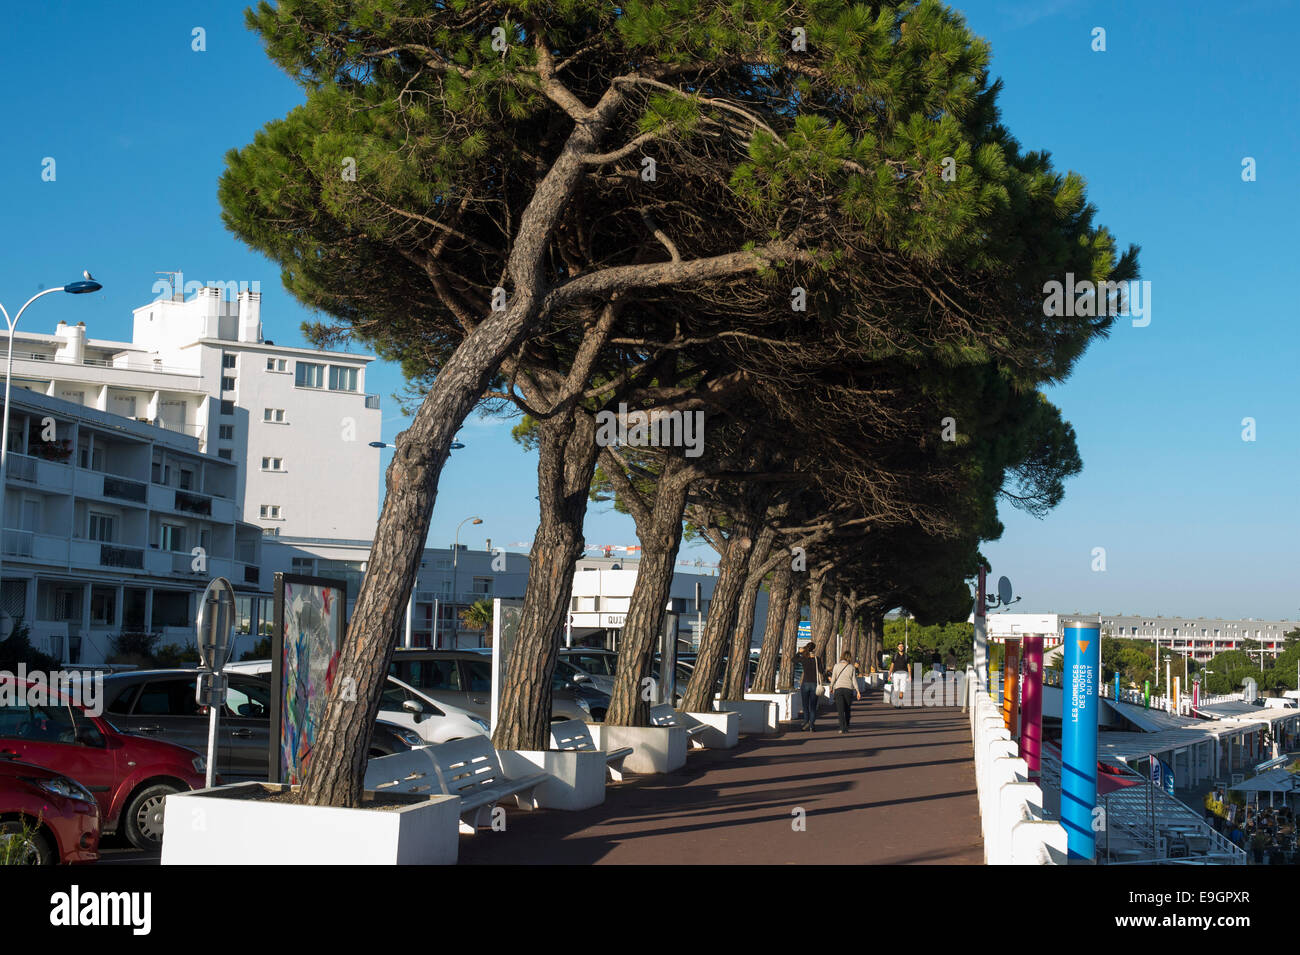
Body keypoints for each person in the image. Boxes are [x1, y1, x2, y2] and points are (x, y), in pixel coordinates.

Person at [829, 652, 861, 733]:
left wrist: (831, 687)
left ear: (842, 657)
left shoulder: (836, 666)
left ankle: (842, 728)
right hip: (848, 689)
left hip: (838, 689)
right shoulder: (852, 667)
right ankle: (846, 726)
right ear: (849, 658)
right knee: (847, 709)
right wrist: (857, 691)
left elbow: (833, 678)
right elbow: (854, 680)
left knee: (840, 710)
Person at [796, 642, 823, 732]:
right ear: (814, 649)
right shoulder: (817, 659)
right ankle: (812, 725)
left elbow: (793, 660)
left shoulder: (804, 658)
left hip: (805, 683)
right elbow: (821, 671)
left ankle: (806, 721)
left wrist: (800, 652)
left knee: (805, 705)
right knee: (813, 706)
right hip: (815, 684)